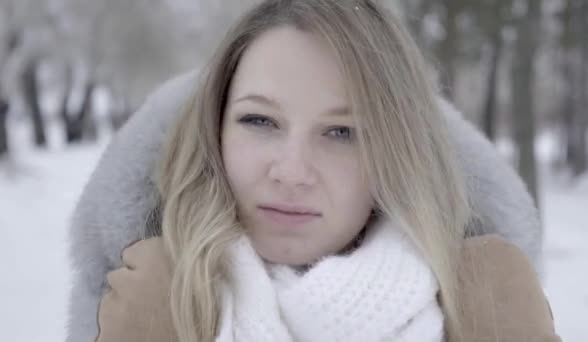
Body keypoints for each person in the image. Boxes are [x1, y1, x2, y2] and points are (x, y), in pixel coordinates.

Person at [67, 1, 559, 341]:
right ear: (213, 131)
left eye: (342, 132)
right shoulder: (154, 293)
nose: (291, 171)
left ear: (398, 152)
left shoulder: (483, 301)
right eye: (260, 121)